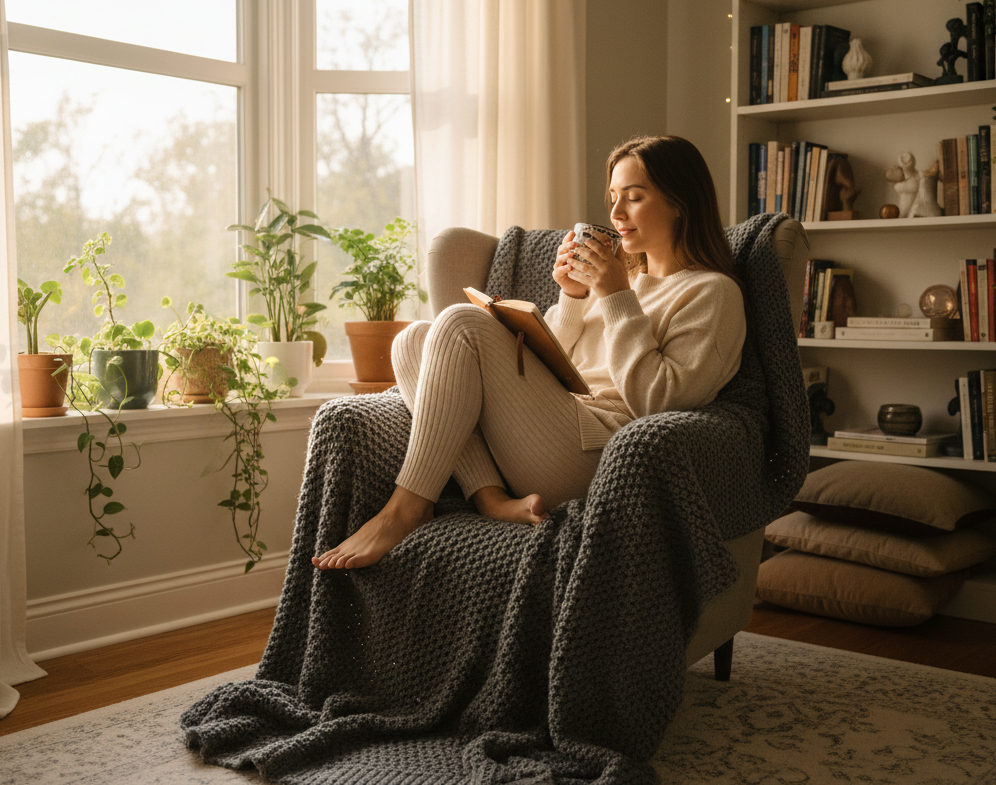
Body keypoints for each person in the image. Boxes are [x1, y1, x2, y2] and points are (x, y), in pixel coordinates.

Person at [313, 134, 747, 570]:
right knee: (415, 339)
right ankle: (491, 497)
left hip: (602, 454)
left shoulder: (712, 293)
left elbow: (662, 403)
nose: (615, 214)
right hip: (557, 425)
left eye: (633, 198)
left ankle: (405, 508)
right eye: (613, 197)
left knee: (460, 322)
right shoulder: (617, 280)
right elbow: (554, 368)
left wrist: (615, 295)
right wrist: (574, 296)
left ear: (680, 202)